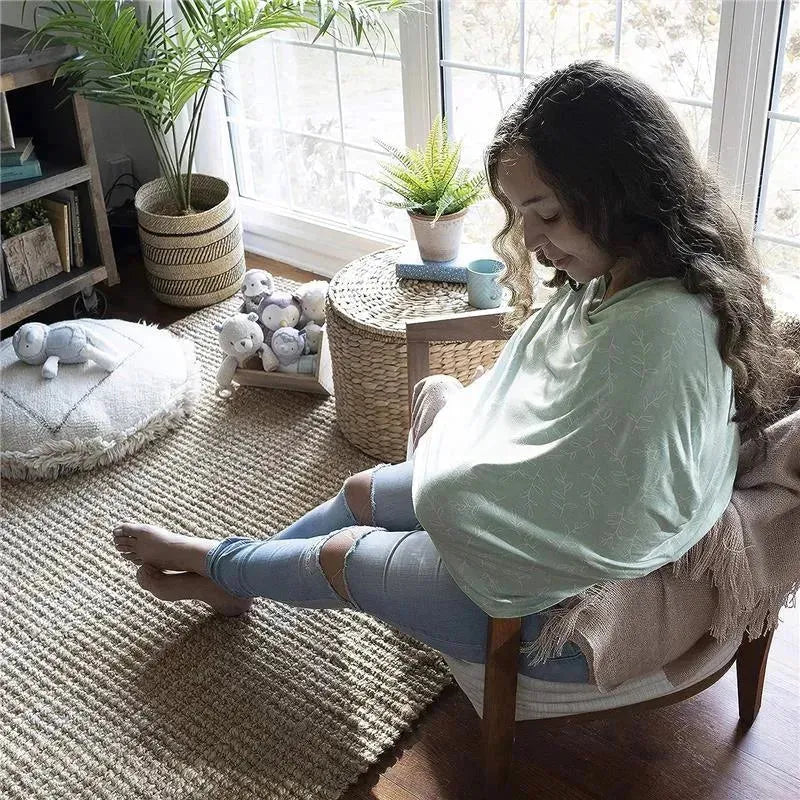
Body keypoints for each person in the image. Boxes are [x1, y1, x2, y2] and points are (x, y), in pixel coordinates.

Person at [114, 60, 795, 683]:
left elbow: (622, 512)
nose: (531, 240)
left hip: (544, 618)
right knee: (360, 489)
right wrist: (466, 465)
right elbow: (544, 409)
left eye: (548, 214)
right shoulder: (620, 272)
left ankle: (221, 564)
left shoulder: (662, 330)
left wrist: (456, 492)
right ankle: (233, 580)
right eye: (521, 215)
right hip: (544, 528)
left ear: (619, 192)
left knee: (343, 552)